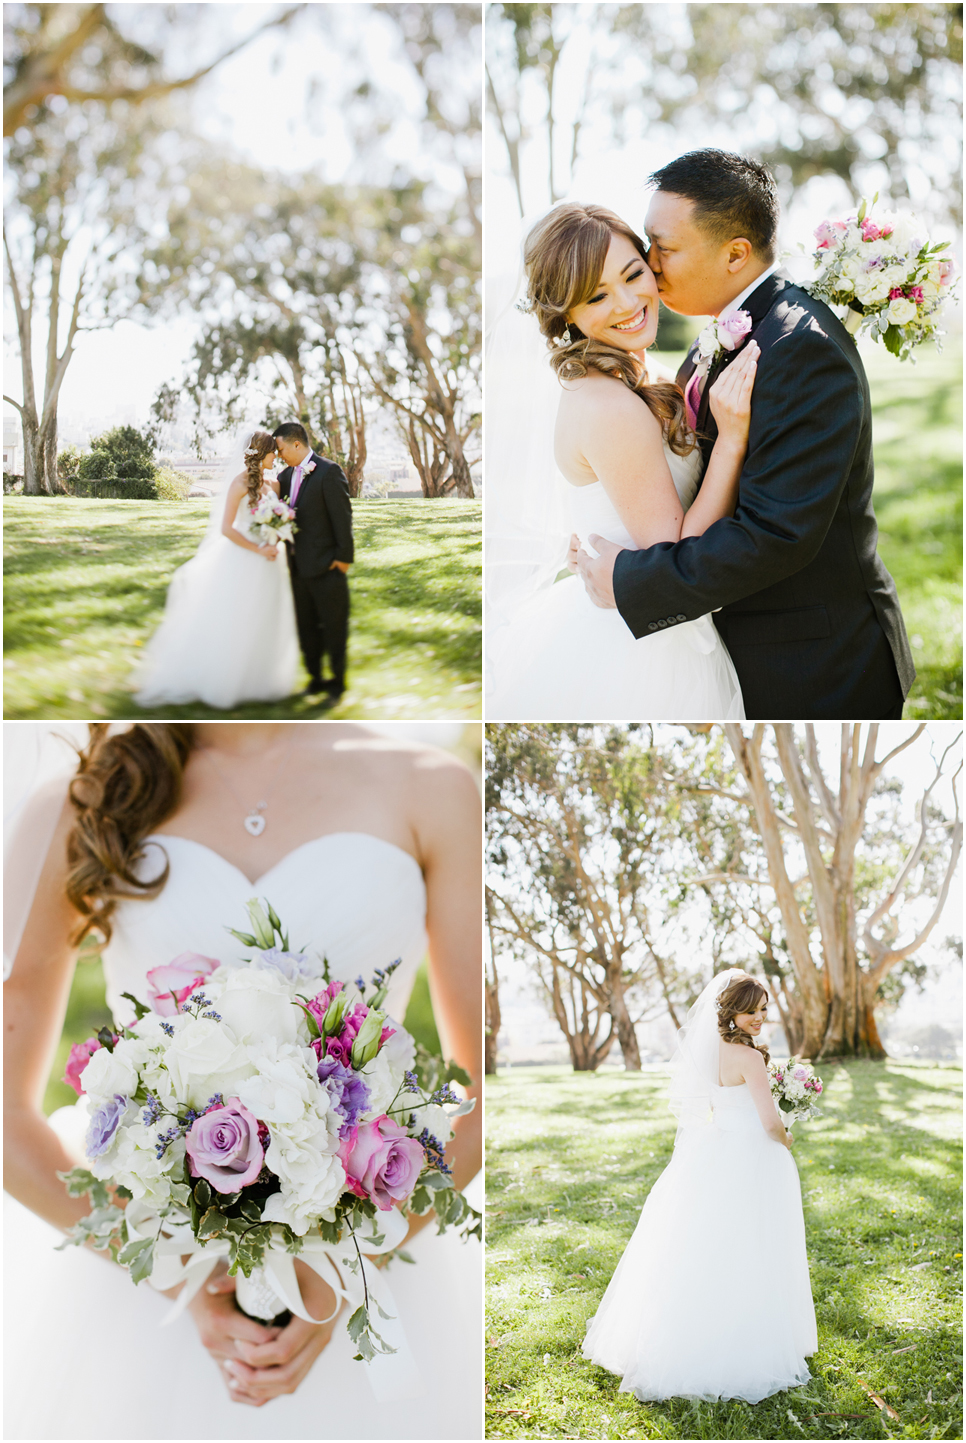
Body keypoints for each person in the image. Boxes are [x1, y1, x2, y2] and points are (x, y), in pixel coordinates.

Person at [4, 721, 482, 1440]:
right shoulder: (85, 800)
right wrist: (176, 1272)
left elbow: (490, 1089)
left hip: (373, 1268)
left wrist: (347, 1264)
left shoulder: (434, 787)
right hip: (146, 1317)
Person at [572, 149, 914, 721]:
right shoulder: (732, 332)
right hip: (750, 652)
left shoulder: (802, 348)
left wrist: (629, 582)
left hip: (817, 665)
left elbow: (775, 534)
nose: (650, 265)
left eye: (665, 247)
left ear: (735, 254)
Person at [485, 203, 752, 720]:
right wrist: (732, 443)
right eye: (597, 296)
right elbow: (675, 555)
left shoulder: (625, 375)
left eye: (633, 275)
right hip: (648, 646)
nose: (629, 302)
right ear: (567, 315)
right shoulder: (607, 404)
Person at [582, 970, 816, 1403]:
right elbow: (768, 1122)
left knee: (705, 1245)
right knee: (753, 1243)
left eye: (764, 1010)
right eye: (754, 1011)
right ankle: (746, 1339)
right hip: (751, 1153)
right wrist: (787, 1135)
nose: (761, 1018)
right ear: (735, 1011)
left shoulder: (710, 1053)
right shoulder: (749, 1058)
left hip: (715, 1149)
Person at [132, 426, 300, 709]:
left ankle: (260, 680)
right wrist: (259, 548)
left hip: (271, 561)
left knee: (266, 615)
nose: (277, 457)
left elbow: (277, 517)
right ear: (261, 453)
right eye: (273, 452)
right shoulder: (238, 485)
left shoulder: (274, 485)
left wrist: (277, 538)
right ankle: (230, 681)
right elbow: (226, 529)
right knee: (240, 618)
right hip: (245, 558)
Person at [274, 422, 354, 701]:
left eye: (282, 448)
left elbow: (343, 518)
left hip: (327, 566)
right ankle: (316, 679)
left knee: (334, 627)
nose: (280, 454)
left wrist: (343, 559)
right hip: (296, 567)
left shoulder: (329, 472)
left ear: (297, 444)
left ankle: (338, 682)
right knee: (306, 628)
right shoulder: (283, 477)